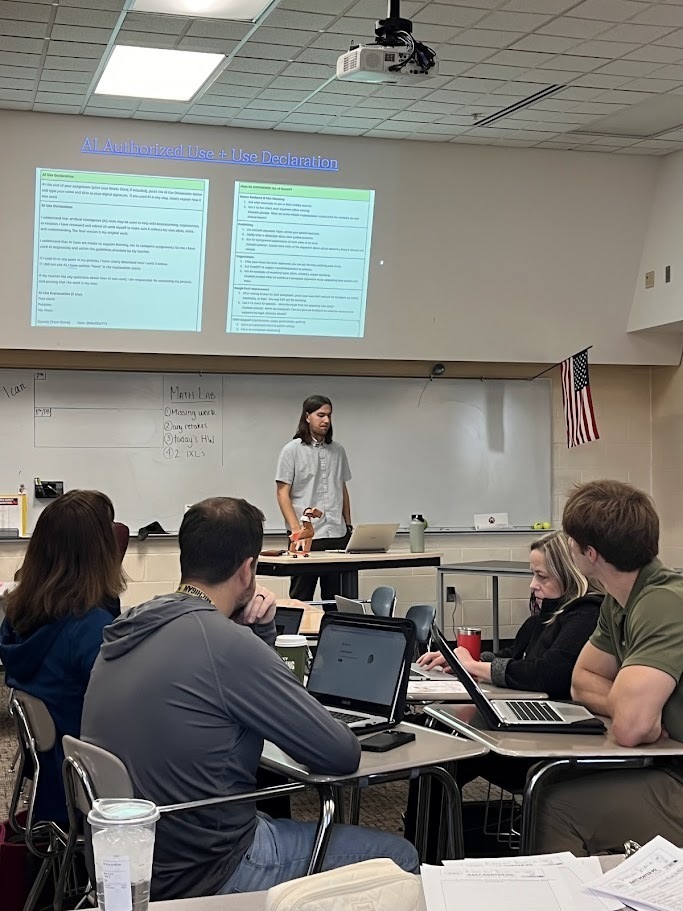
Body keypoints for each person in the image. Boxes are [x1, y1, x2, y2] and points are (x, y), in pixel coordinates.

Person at [81, 497, 418, 901]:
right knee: (399, 858)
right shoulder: (224, 644)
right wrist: (252, 640)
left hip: (133, 862)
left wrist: (253, 639)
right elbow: (340, 754)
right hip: (209, 868)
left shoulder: (130, 625)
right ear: (248, 569)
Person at [534, 479, 683, 855]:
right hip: (667, 757)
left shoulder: (662, 603)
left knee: (556, 803)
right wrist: (633, 705)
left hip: (675, 772)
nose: (567, 546)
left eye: (571, 540)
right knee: (555, 778)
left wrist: (637, 714)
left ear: (590, 553)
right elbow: (581, 682)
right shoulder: (618, 601)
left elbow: (630, 731)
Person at [0, 490, 125, 824]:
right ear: (100, 552)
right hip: (89, 790)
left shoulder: (15, 616)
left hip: (49, 780)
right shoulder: (90, 631)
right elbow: (124, 713)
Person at [419, 531, 603, 700]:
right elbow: (515, 656)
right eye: (533, 575)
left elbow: (549, 674)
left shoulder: (586, 614)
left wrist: (472, 666)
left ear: (569, 576)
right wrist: (464, 659)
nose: (532, 585)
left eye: (542, 576)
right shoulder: (542, 618)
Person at [276, 395, 352, 601]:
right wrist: (295, 530)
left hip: (336, 534)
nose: (326, 420)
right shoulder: (291, 450)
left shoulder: (338, 451)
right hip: (305, 536)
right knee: (302, 598)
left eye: (329, 415)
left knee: (337, 599)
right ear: (307, 417)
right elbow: (282, 493)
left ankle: (336, 633)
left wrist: (349, 525)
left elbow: (342, 489)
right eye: (320, 415)